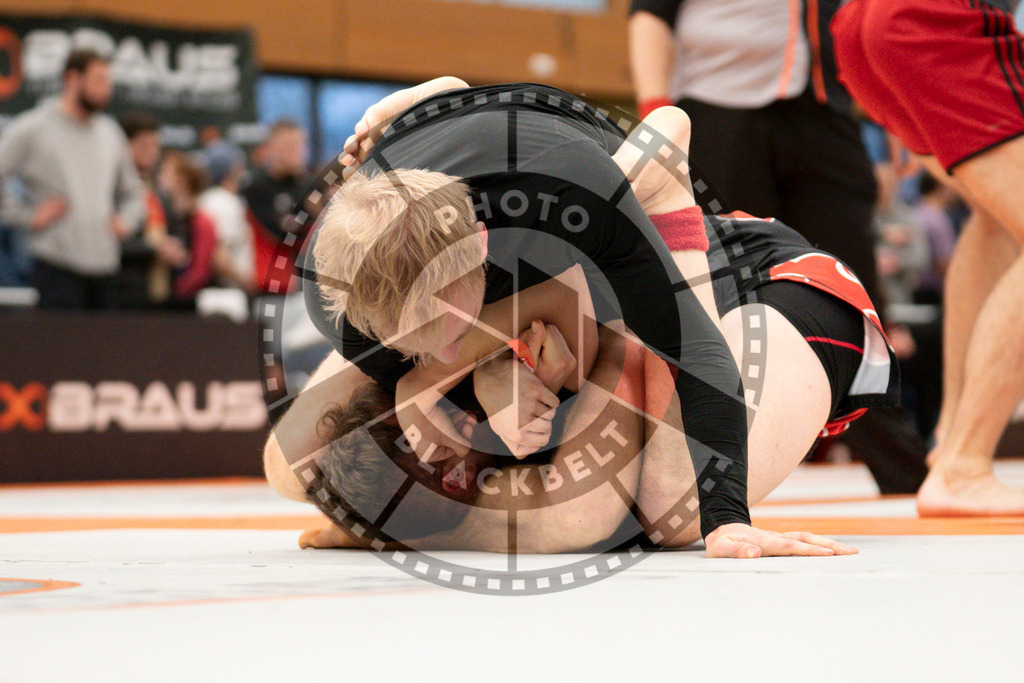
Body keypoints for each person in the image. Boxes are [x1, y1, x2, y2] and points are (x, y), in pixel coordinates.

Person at [297, 79, 897, 556]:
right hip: (606, 254)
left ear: (481, 245)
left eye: (457, 326)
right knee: (311, 462)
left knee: (675, 509)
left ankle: (654, 184)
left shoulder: (570, 198)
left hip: (755, 275)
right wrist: (476, 382)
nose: (451, 352)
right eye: (417, 345)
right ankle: (445, 103)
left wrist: (727, 519)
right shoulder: (347, 310)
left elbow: (691, 352)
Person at [831, 0, 1024, 516]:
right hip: (937, 21)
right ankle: (964, 466)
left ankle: (950, 446)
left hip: (871, 21)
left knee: (995, 217)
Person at [0, 48, 145, 309]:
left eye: (109, 82)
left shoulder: (110, 133)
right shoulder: (34, 127)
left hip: (104, 266)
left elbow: (134, 191)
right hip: (55, 265)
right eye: (98, 80)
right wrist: (27, 217)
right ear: (72, 79)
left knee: (105, 337)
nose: (106, 89)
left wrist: (126, 221)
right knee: (59, 337)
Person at [116, 111, 183, 309]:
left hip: (161, 293)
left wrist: (175, 246)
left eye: (155, 146)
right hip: (125, 293)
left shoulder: (160, 193)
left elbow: (176, 231)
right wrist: (153, 250)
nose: (151, 152)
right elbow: (113, 242)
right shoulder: (114, 191)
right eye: (144, 146)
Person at [242, 119, 310, 292]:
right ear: (272, 148)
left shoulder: (307, 185)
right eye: (291, 146)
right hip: (268, 283)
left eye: (301, 145)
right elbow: (279, 232)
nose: (299, 152)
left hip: (306, 283)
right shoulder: (256, 186)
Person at [155, 152, 217, 308]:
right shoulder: (167, 216)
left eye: (165, 172)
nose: (159, 178)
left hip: (189, 306)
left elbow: (200, 272)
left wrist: (174, 294)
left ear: (181, 180)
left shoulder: (202, 220)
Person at [199, 140, 254, 293]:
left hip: (218, 291)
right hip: (227, 291)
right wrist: (248, 283)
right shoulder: (224, 203)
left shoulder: (207, 198)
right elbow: (220, 257)